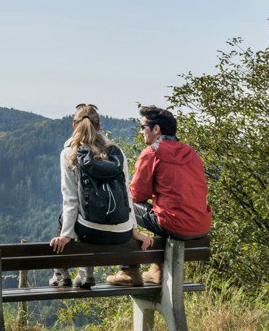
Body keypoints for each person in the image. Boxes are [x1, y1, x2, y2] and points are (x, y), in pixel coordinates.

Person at [105, 105, 212, 287]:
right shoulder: (191, 153)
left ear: (156, 129)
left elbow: (137, 195)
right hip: (200, 224)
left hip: (176, 225)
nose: (141, 132)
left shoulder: (152, 153)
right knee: (162, 207)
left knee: (123, 204)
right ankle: (157, 269)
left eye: (143, 127)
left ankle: (128, 270)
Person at [49, 104, 152, 289]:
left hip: (91, 233)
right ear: (99, 126)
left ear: (74, 125)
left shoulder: (69, 154)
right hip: (123, 232)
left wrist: (66, 235)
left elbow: (71, 200)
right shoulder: (117, 153)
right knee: (84, 216)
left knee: (66, 217)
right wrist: (134, 230)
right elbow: (127, 195)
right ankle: (82, 273)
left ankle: (66, 274)